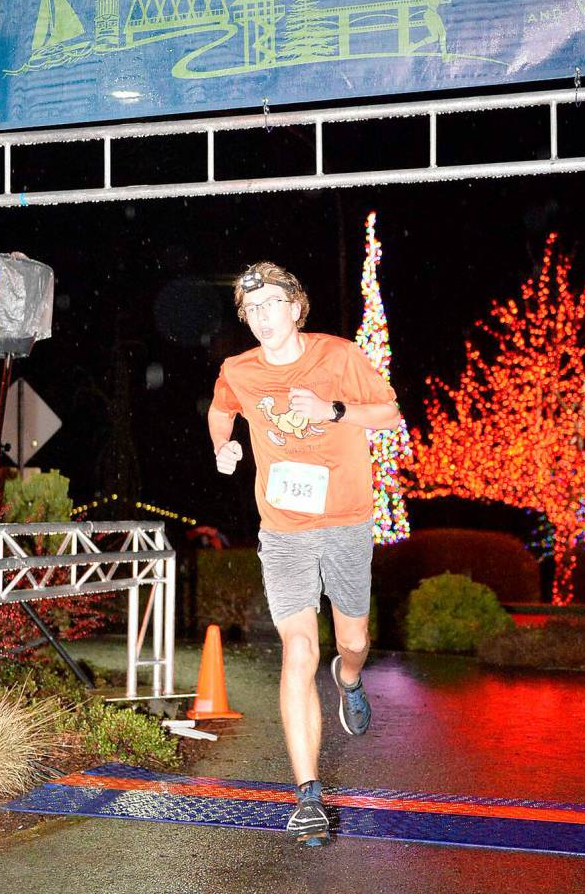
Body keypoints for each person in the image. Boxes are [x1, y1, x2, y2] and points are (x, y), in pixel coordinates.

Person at [207, 262, 400, 843]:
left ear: (297, 307)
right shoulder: (237, 370)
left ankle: (350, 679)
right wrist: (224, 446)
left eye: (274, 304)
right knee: (297, 650)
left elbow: (389, 412)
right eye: (253, 309)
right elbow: (221, 409)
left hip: (345, 522)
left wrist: (333, 411)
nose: (265, 317)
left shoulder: (340, 356)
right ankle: (308, 795)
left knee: (352, 643)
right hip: (283, 529)